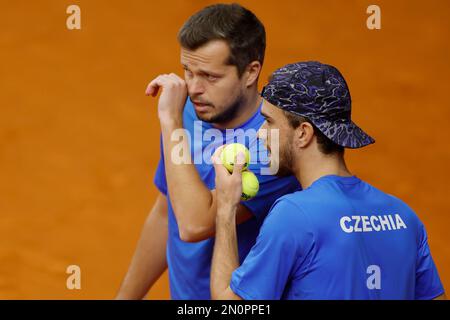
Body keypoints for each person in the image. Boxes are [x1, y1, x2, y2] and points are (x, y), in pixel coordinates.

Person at [210, 61, 446, 300]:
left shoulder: (293, 215)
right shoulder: (404, 217)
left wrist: (226, 207)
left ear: (303, 133)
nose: (260, 134)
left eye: (269, 122)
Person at [116, 3, 300, 300]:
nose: (194, 88)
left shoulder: (273, 143)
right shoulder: (191, 112)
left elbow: (194, 224)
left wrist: (170, 123)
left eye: (210, 77)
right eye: (187, 71)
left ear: (251, 72)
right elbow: (168, 213)